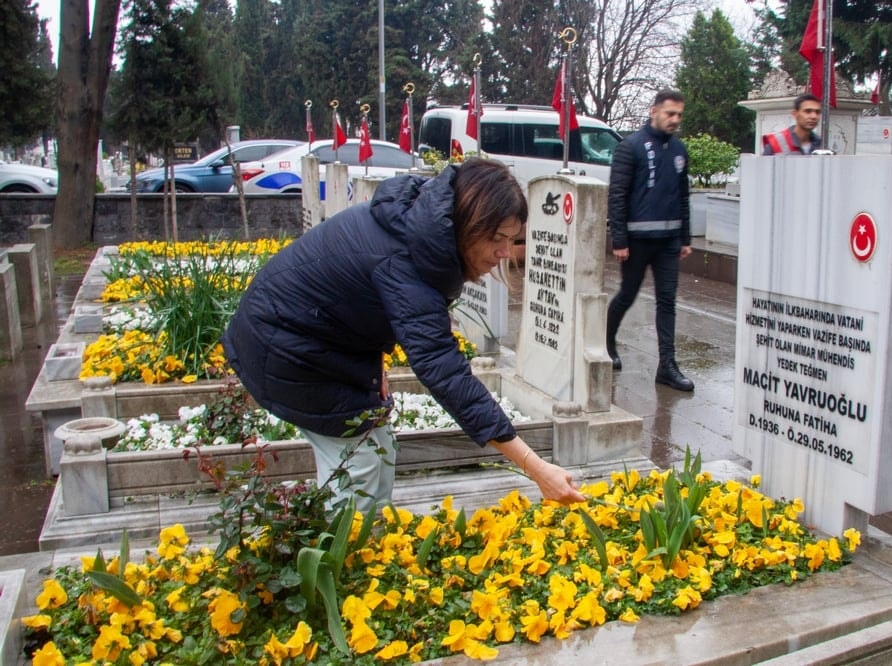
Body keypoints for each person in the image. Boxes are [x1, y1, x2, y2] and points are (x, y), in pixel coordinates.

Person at [222, 158, 586, 512]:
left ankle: (368, 543)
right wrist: (537, 469)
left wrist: (374, 357)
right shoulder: (408, 262)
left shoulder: (420, 232)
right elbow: (445, 373)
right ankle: (338, 559)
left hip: (313, 341)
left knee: (378, 447)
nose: (506, 253)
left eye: (512, 239)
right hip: (283, 349)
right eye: (498, 239)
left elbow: (356, 293)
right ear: (469, 225)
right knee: (358, 466)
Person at [606, 89, 694, 392]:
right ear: (653, 111)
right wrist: (619, 239)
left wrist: (685, 237)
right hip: (636, 241)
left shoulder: (680, 149)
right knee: (627, 296)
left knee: (667, 302)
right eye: (670, 113)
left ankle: (667, 366)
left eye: (679, 115)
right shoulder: (630, 147)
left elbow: (683, 197)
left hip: (669, 242)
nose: (675, 120)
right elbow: (616, 194)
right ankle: (606, 343)